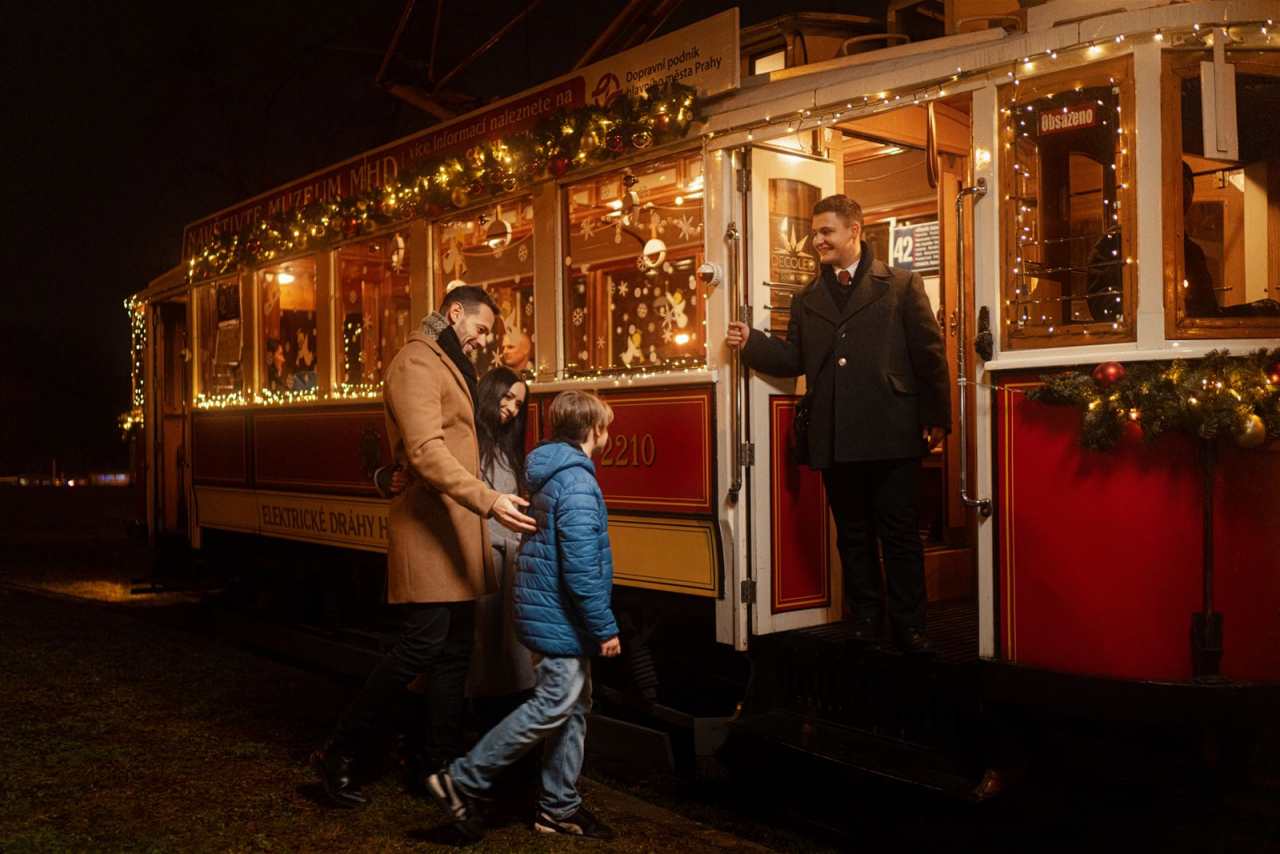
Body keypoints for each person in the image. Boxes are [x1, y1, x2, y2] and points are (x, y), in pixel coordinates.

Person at [310, 285, 536, 809]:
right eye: (480, 329)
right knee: (422, 645)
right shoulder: (416, 362)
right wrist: (490, 500)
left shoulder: (450, 363)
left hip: (454, 527)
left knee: (454, 651)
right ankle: (338, 751)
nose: (484, 342)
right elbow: (427, 452)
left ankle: (434, 770)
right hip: (431, 528)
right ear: (454, 313)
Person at [726, 194, 950, 655]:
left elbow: (930, 357)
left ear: (854, 230)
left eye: (826, 232)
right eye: (814, 233)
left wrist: (937, 417)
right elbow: (794, 359)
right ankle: (867, 617)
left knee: (900, 536)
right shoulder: (807, 297)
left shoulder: (903, 284)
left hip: (893, 430)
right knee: (851, 534)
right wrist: (752, 342)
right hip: (835, 433)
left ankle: (910, 628)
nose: (817, 241)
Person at [427, 390, 622, 842]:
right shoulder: (576, 483)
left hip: (551, 614)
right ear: (593, 431)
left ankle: (558, 808)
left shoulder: (555, 472)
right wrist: (604, 627)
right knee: (552, 705)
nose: (608, 435)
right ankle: (460, 779)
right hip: (562, 620)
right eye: (606, 427)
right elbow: (579, 567)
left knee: (572, 708)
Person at [380, 367, 539, 789]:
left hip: (500, 574)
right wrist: (385, 478)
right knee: (454, 667)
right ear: (487, 394)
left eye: (518, 404)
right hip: (469, 566)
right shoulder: (462, 441)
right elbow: (417, 469)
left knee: (487, 671)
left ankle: (470, 765)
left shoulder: (507, 447)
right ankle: (431, 759)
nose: (509, 410)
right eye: (505, 399)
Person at [1181, 161, 1221, 318]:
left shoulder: (1194, 252)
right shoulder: (1122, 242)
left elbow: (1209, 308)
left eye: (1184, 184)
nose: (1179, 192)